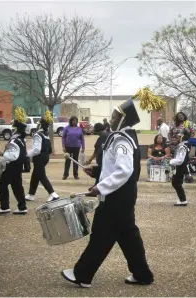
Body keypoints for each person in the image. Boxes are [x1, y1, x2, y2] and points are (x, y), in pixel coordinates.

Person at [61, 98, 154, 288]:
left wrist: (100, 187)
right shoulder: (124, 137)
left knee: (101, 234)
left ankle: (82, 275)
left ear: (124, 119)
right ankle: (142, 274)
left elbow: (124, 171)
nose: (111, 120)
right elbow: (115, 167)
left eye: (115, 117)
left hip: (117, 197)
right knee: (128, 236)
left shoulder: (122, 140)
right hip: (123, 196)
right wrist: (97, 171)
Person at [0, 107, 28, 215]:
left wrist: (2, 154)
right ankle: (22, 207)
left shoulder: (14, 139)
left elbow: (13, 156)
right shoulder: (21, 139)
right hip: (18, 166)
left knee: (3, 184)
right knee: (17, 186)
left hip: (13, 166)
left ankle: (4, 207)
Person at [25, 111, 59, 202]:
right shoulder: (46, 135)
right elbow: (50, 150)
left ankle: (52, 193)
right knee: (35, 175)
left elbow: (36, 150)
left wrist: (26, 154)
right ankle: (31, 194)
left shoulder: (38, 135)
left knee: (41, 175)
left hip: (39, 158)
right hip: (45, 157)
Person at [170, 128, 191, 206]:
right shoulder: (182, 145)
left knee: (176, 183)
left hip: (181, 167)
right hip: (180, 167)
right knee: (176, 183)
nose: (178, 137)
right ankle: (182, 199)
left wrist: (170, 162)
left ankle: (183, 200)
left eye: (180, 136)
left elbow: (180, 160)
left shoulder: (182, 147)